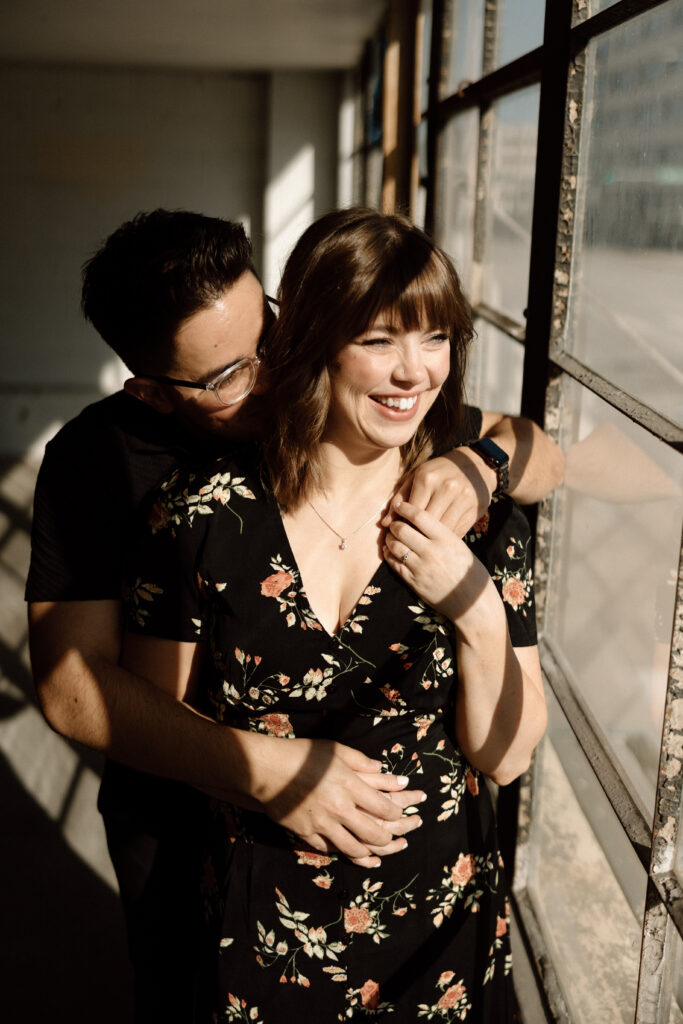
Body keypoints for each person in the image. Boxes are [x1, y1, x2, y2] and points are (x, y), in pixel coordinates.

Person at [27, 210, 562, 1020]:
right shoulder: (115, 471)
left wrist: (480, 469)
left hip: (428, 924)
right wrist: (279, 777)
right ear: (151, 390)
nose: (276, 370)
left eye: (272, 334)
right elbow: (73, 690)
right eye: (229, 374)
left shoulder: (380, 407)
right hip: (201, 837)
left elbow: (537, 451)